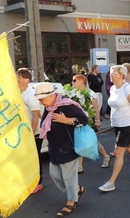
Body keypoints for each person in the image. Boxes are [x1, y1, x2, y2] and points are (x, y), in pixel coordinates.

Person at [35, 82, 88, 217]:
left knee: (69, 177)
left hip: (67, 148)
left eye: (41, 99)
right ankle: (76, 190)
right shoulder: (50, 107)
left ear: (51, 95)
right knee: (55, 175)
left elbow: (84, 119)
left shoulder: (67, 105)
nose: (40, 103)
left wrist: (67, 121)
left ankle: (71, 201)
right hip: (54, 148)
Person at [98, 65, 130, 192]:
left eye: (113, 73)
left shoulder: (128, 89)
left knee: (119, 153)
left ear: (121, 75)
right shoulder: (114, 88)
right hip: (117, 125)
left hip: (127, 125)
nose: (110, 75)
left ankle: (111, 182)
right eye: (110, 73)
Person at [71, 75, 111, 172]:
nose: (72, 82)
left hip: (88, 120)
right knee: (88, 140)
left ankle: (80, 166)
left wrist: (97, 120)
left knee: (84, 140)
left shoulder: (90, 93)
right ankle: (106, 156)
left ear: (81, 81)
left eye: (74, 80)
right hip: (77, 120)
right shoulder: (73, 93)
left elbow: (96, 108)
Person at [16, 68, 44, 194]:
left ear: (27, 80)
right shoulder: (18, 92)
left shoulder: (30, 94)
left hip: (34, 132)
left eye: (20, 77)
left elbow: (36, 115)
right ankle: (28, 181)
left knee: (35, 158)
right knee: (26, 158)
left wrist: (32, 133)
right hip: (22, 132)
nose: (17, 79)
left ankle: (38, 182)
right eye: (17, 76)